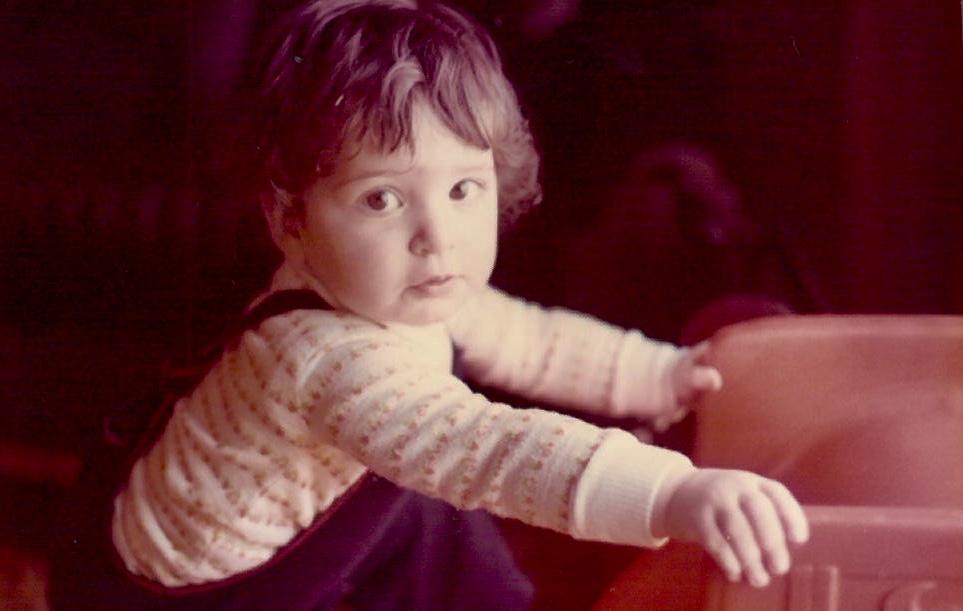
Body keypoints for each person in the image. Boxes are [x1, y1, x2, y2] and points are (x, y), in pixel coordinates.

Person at [51, 1, 808, 609]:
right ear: (290, 221)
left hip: (306, 522)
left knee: (421, 508)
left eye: (462, 189)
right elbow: (490, 448)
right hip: (189, 593)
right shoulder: (324, 359)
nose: (436, 237)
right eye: (381, 199)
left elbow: (532, 340)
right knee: (438, 476)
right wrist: (671, 492)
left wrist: (667, 375)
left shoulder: (407, 289)